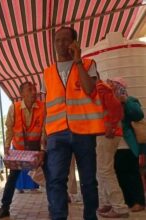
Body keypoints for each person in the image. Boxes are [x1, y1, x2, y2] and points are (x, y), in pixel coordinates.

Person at [43, 27, 105, 220]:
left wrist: (77, 60)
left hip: (83, 131)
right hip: (56, 133)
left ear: (74, 43)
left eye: (65, 40)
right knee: (55, 181)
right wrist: (44, 135)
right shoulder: (47, 72)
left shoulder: (87, 64)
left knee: (88, 181)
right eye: (57, 40)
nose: (60, 44)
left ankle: (90, 217)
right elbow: (46, 106)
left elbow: (89, 89)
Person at [0, 81, 46, 219]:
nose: (34, 92)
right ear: (21, 94)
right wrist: (6, 147)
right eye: (29, 90)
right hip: (19, 150)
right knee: (12, 178)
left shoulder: (43, 107)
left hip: (37, 150)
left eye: (34, 89)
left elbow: (44, 131)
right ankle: (5, 208)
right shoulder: (14, 108)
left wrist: (42, 150)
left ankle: (56, 206)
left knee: (51, 176)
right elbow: (9, 129)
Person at [95, 79, 129, 218]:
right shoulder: (101, 87)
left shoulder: (99, 87)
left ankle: (119, 207)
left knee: (105, 170)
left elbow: (116, 108)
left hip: (107, 133)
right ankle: (109, 202)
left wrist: (111, 125)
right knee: (102, 170)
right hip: (105, 133)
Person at [111, 77, 146, 212]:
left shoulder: (131, 100)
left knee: (131, 173)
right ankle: (127, 201)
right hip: (113, 145)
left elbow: (138, 115)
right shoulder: (109, 101)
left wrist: (125, 101)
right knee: (119, 174)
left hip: (127, 144)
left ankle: (138, 201)